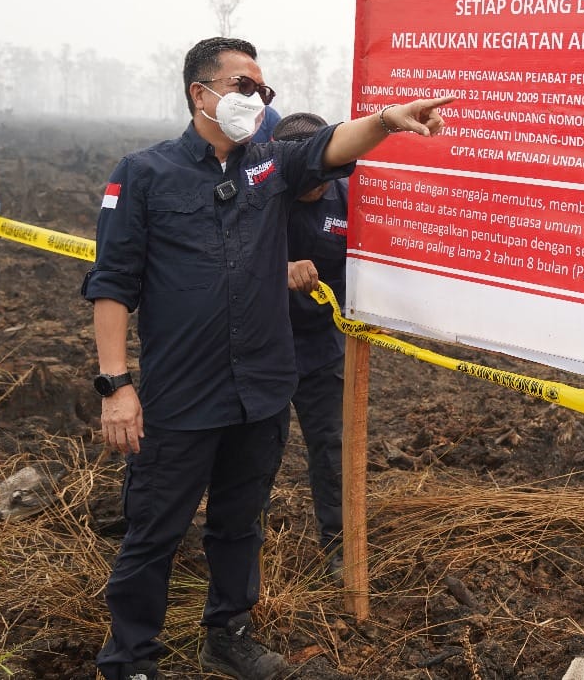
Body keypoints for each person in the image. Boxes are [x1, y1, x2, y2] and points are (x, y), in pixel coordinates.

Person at [82, 36, 450, 680]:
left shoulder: (270, 167)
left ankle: (228, 634)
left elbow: (333, 143)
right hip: (182, 395)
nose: (258, 99)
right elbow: (112, 284)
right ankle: (129, 658)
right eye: (244, 86)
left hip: (261, 389)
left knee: (239, 523)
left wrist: (390, 120)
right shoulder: (144, 174)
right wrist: (117, 385)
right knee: (155, 531)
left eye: (264, 90)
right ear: (202, 94)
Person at [270, 112, 349, 577]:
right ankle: (246, 548)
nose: (318, 186)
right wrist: (281, 268)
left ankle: (338, 548)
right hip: (266, 346)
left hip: (323, 346)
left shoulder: (347, 196)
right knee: (256, 450)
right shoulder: (260, 196)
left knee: (332, 447)